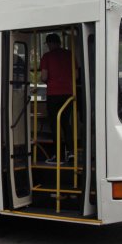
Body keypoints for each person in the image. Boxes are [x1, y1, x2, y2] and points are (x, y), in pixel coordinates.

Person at [40, 33, 75, 164]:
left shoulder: (47, 57)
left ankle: (58, 155)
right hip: (68, 94)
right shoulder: (69, 54)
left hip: (53, 94)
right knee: (66, 123)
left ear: (50, 43)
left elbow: (43, 77)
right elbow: (76, 75)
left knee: (55, 125)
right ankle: (71, 153)